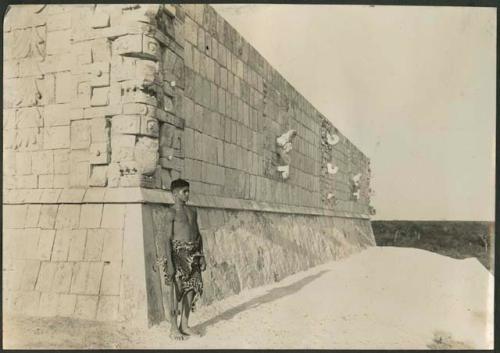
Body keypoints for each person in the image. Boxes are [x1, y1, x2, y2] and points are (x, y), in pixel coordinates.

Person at [162, 178, 206, 340]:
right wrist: (171, 264)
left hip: (193, 254)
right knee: (176, 291)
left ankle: (185, 325)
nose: (187, 194)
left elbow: (198, 234)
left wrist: (201, 255)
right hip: (177, 254)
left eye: (188, 191)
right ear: (174, 194)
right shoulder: (171, 212)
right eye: (184, 191)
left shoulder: (193, 211)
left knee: (191, 288)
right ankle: (173, 328)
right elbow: (166, 238)